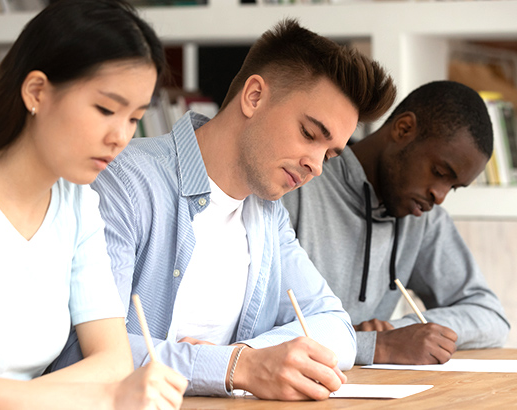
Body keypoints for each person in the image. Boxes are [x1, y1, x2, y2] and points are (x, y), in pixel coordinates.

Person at [51, 18, 396, 401]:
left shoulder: (267, 214)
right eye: (310, 134)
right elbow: (84, 352)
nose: (316, 164)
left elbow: (336, 326)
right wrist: (237, 369)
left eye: (330, 154)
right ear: (254, 96)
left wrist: (245, 358)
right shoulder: (123, 182)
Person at [0, 1, 188, 408]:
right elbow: (110, 385)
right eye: (105, 109)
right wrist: (102, 398)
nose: (121, 137)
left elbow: (113, 362)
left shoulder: (78, 205)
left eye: (134, 118)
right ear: (37, 92)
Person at [282, 80, 511, 366]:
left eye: (453, 187)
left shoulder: (422, 219)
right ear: (403, 129)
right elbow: (250, 329)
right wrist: (367, 344)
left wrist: (401, 332)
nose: (439, 196)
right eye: (439, 171)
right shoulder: (296, 187)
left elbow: (490, 316)